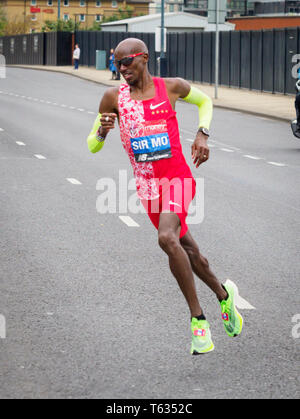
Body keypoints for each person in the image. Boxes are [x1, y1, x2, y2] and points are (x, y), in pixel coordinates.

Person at [87, 38, 243, 355]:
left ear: (144, 58)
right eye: (116, 64)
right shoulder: (112, 97)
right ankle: (225, 296)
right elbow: (92, 144)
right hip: (148, 190)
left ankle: (198, 322)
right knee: (190, 252)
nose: (122, 68)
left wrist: (203, 132)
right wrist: (103, 130)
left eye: (127, 61)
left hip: (178, 179)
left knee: (166, 238)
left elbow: (206, 103)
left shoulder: (171, 88)